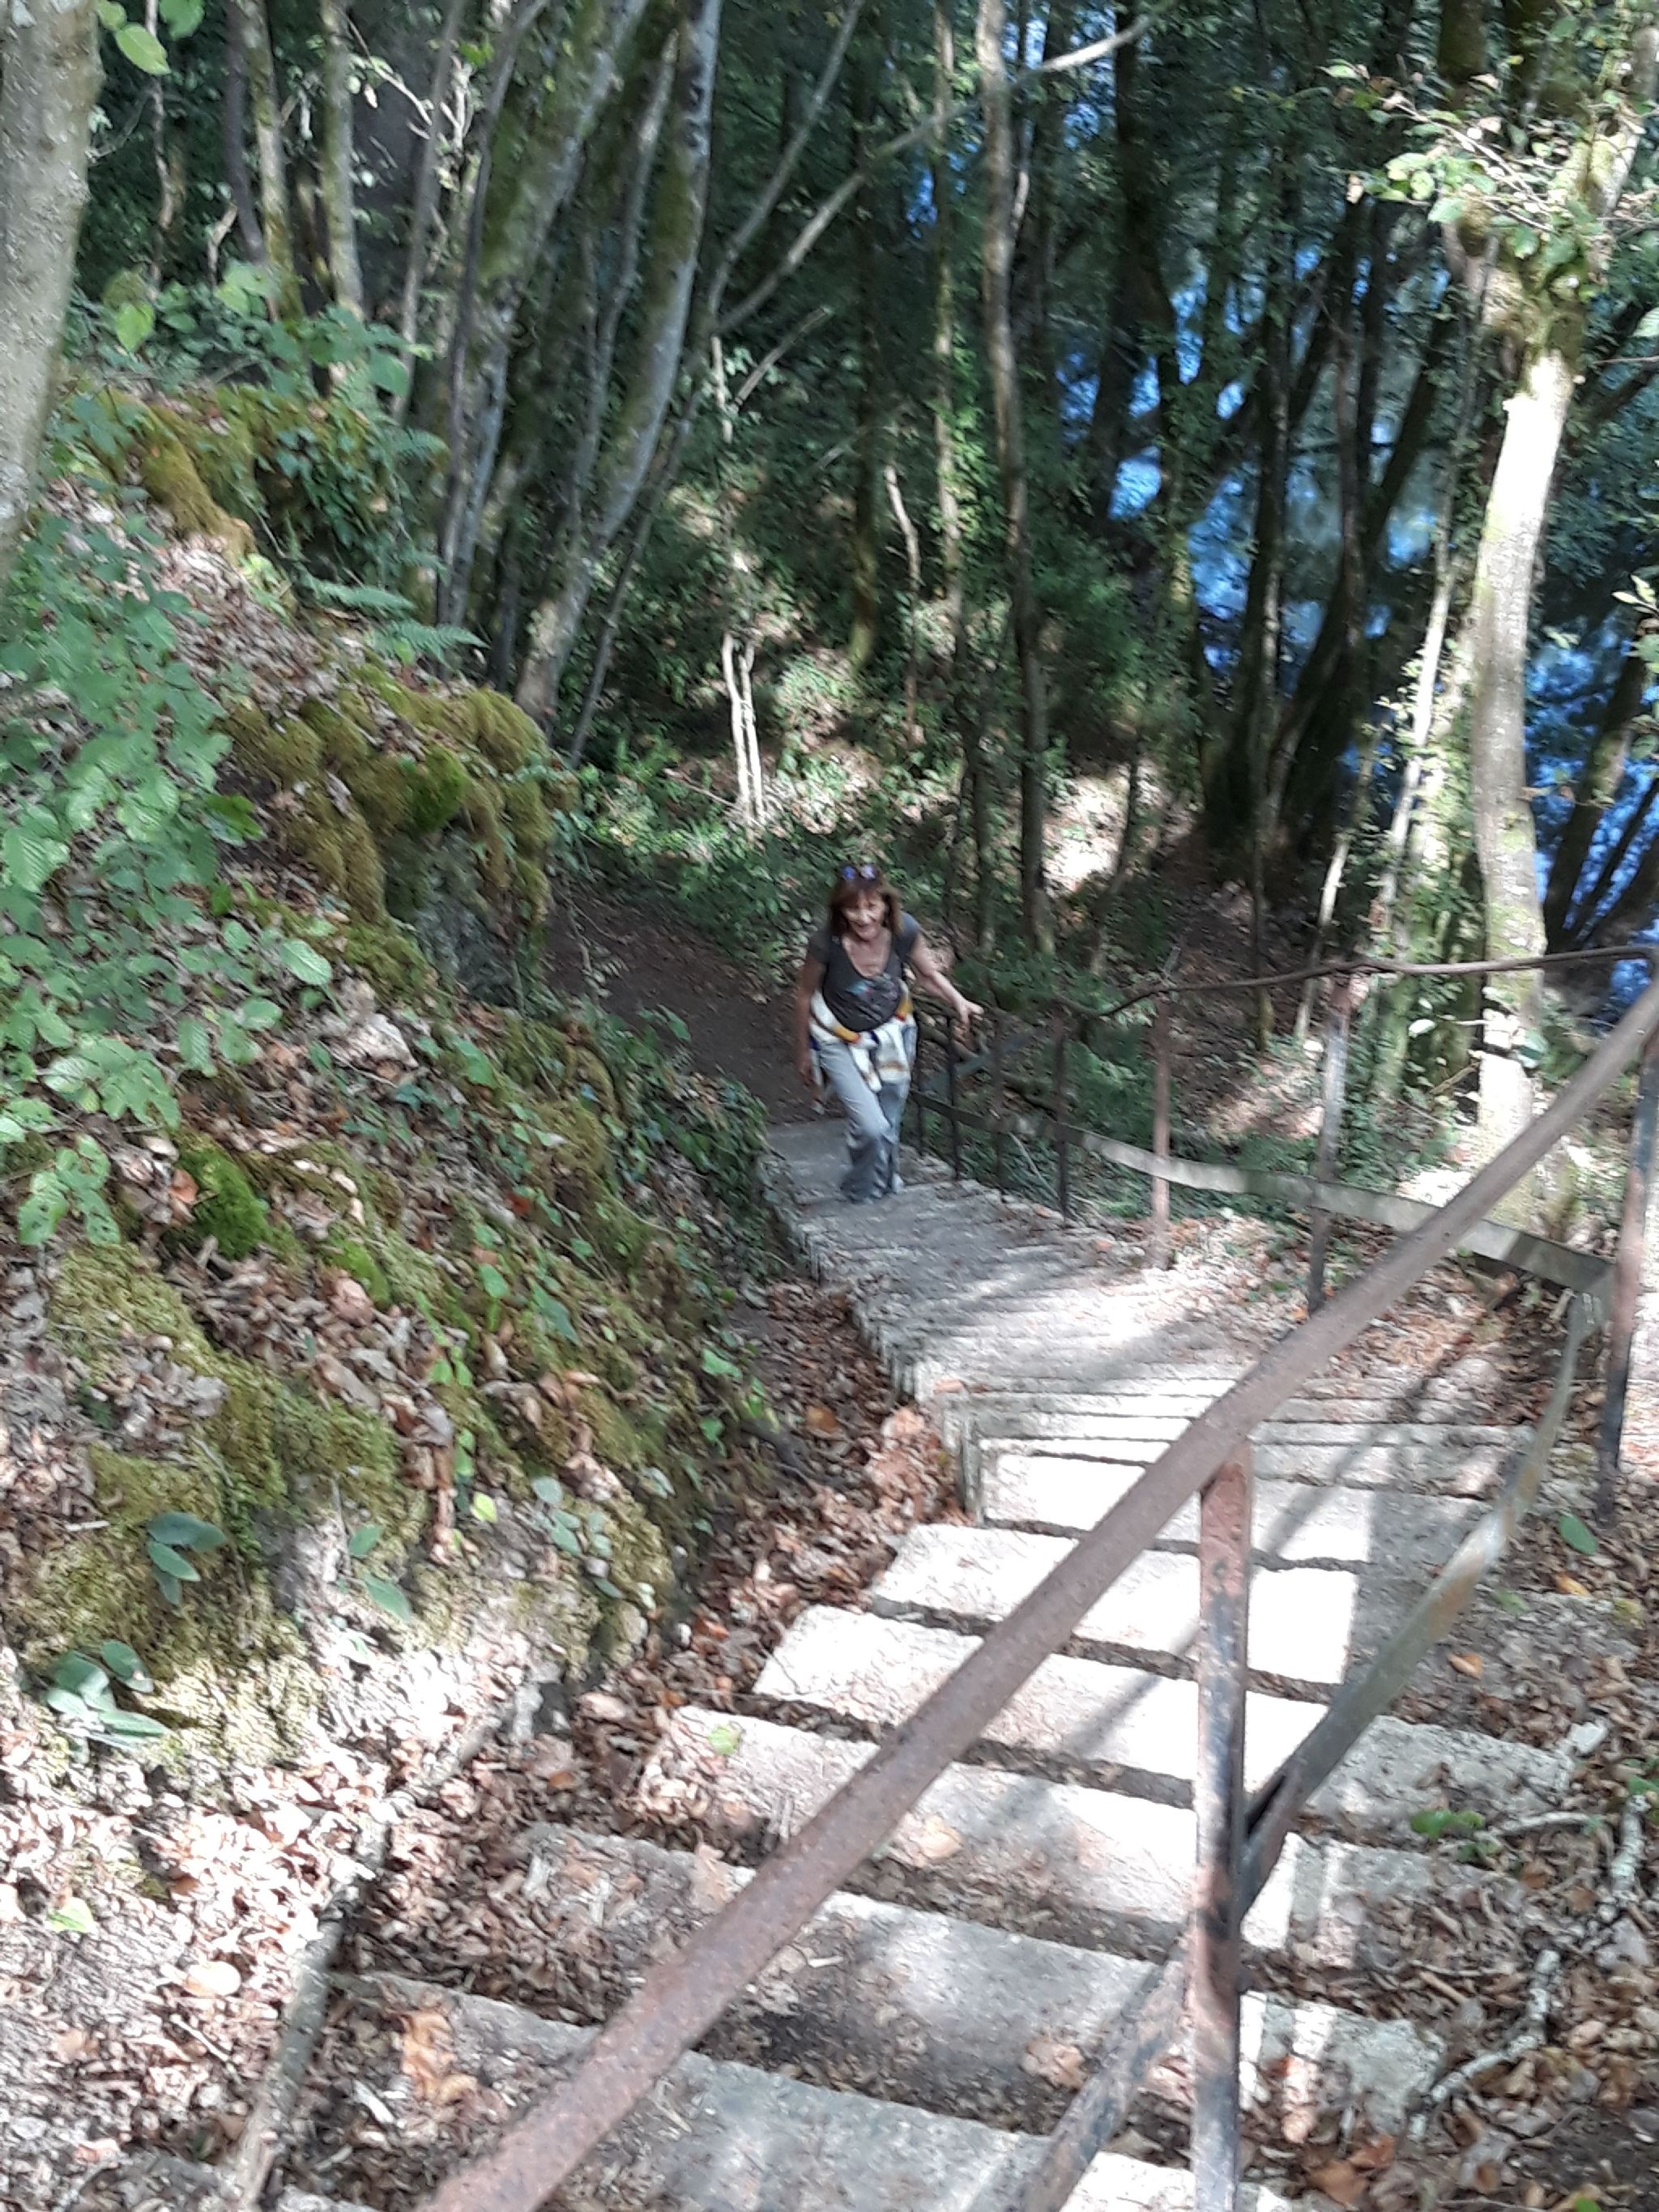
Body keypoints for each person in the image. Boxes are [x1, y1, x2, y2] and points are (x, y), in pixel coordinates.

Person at [794, 861, 982, 1204]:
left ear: (886, 905)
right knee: (872, 1126)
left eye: (872, 906)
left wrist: (959, 1001)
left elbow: (927, 975)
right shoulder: (825, 943)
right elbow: (805, 994)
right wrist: (804, 1051)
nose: (864, 917)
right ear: (840, 910)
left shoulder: (903, 931)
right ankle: (859, 1189)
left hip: (895, 1031)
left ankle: (883, 1184)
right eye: (853, 908)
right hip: (837, 1038)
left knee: (889, 1120)